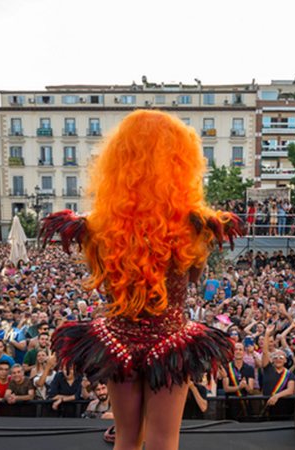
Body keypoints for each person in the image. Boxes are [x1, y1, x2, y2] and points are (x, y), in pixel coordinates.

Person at [41, 110, 242, 449]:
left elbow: (99, 276)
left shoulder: (95, 226)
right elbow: (194, 276)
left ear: (117, 160)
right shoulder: (198, 224)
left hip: (118, 343)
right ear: (181, 161)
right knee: (163, 441)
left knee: (126, 440)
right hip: (170, 344)